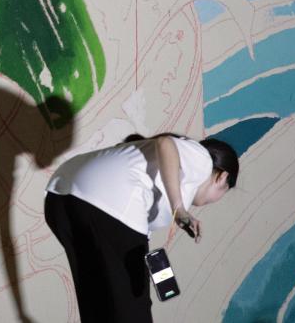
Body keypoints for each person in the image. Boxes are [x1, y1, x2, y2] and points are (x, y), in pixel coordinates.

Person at [43, 133, 239, 322]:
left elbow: (135, 239)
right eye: (224, 192)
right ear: (222, 177)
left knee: (99, 303)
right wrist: (178, 208)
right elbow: (165, 143)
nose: (215, 201)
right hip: (106, 205)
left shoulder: (154, 177)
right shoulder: (202, 159)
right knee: (133, 310)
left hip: (60, 198)